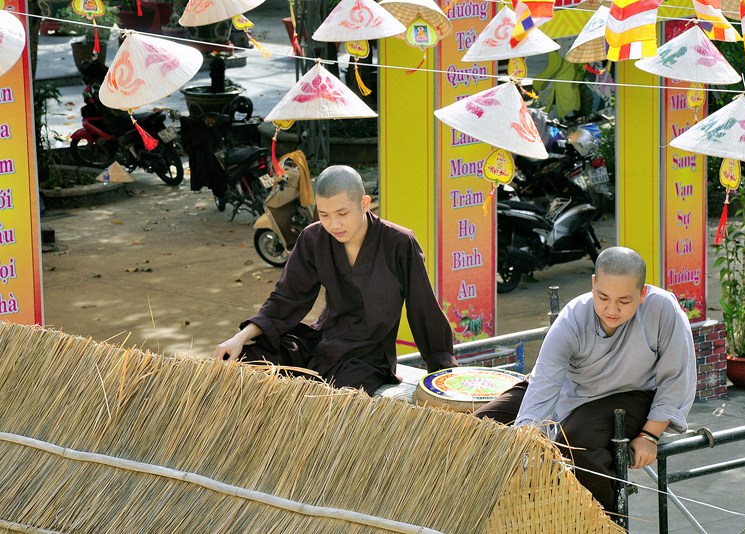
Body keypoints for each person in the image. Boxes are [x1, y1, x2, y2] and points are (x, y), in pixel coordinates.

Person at [474, 246, 696, 512]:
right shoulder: (572, 318)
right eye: (603, 297)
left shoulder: (663, 309)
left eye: (624, 301)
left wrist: (650, 435)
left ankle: (603, 523)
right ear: (593, 284)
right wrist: (527, 440)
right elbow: (544, 383)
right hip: (567, 388)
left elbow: (676, 377)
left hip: (631, 394)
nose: (612, 309)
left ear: (643, 293)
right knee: (480, 425)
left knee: (576, 443)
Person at [213, 165, 457, 394]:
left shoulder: (399, 242)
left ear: (364, 204)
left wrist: (442, 372)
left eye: (342, 213)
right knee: (246, 360)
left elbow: (423, 309)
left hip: (368, 356)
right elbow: (286, 298)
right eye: (324, 215)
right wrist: (239, 338)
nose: (334, 224)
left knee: (333, 397)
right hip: (322, 341)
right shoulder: (313, 238)